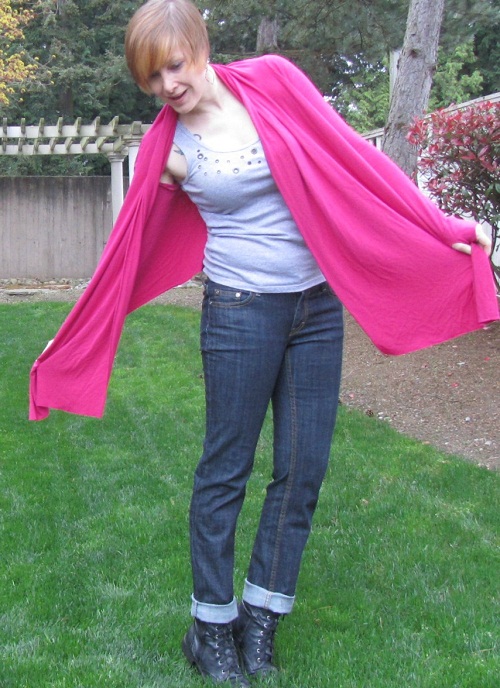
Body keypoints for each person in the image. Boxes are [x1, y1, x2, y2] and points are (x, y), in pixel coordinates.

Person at [29, 0, 497, 685]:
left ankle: (261, 619)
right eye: (151, 78)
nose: (167, 87)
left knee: (303, 470)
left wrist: (444, 226)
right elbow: (128, 250)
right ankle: (211, 628)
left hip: (317, 309)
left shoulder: (274, 82)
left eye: (174, 67)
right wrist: (74, 331)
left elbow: (356, 161)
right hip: (238, 314)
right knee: (227, 470)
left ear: (200, 45)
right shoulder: (168, 148)